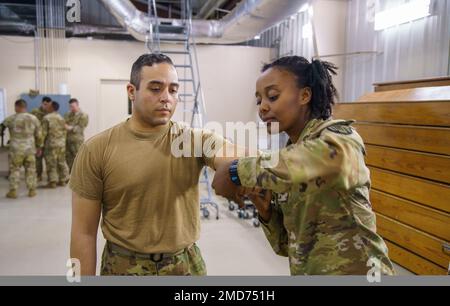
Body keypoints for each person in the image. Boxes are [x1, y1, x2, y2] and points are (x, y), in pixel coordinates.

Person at [212, 56, 395, 275]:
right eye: (259, 100)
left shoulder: (340, 137)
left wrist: (235, 171)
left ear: (304, 95)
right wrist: (266, 211)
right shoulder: (289, 159)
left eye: (272, 96)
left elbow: (328, 161)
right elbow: (287, 246)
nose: (262, 107)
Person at [69, 53, 239, 276]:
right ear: (132, 91)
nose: (166, 97)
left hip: (184, 266)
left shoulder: (193, 140)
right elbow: (83, 233)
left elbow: (237, 155)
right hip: (122, 267)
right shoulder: (96, 149)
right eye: (156, 88)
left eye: (173, 90)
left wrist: (238, 168)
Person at [2, 99, 42, 198]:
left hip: (16, 149)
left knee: (15, 169)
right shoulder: (34, 118)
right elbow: (39, 135)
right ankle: (32, 190)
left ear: (17, 107)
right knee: (31, 169)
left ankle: (13, 191)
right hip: (30, 149)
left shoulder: (10, 119)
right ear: (25, 107)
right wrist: (39, 146)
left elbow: (1, 129)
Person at [42, 101, 69, 188]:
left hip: (51, 144)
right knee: (61, 161)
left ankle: (52, 182)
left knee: (51, 163)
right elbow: (65, 131)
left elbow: (43, 133)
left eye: (48, 106)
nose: (46, 107)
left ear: (52, 108)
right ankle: (63, 180)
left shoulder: (46, 118)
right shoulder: (61, 118)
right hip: (61, 144)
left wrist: (40, 145)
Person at [64, 98, 89, 171]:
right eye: (70, 106)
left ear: (77, 105)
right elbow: (64, 123)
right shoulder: (68, 114)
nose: (71, 108)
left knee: (78, 158)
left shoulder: (83, 115)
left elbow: (81, 127)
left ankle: (80, 175)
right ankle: (71, 174)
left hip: (77, 140)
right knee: (68, 158)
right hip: (68, 140)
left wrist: (70, 128)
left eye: (73, 106)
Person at [31, 96, 51, 181]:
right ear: (42, 103)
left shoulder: (51, 113)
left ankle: (50, 177)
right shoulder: (35, 112)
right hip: (37, 139)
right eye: (45, 104)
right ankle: (38, 175)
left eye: (48, 105)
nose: (46, 106)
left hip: (48, 140)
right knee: (38, 159)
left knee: (49, 159)